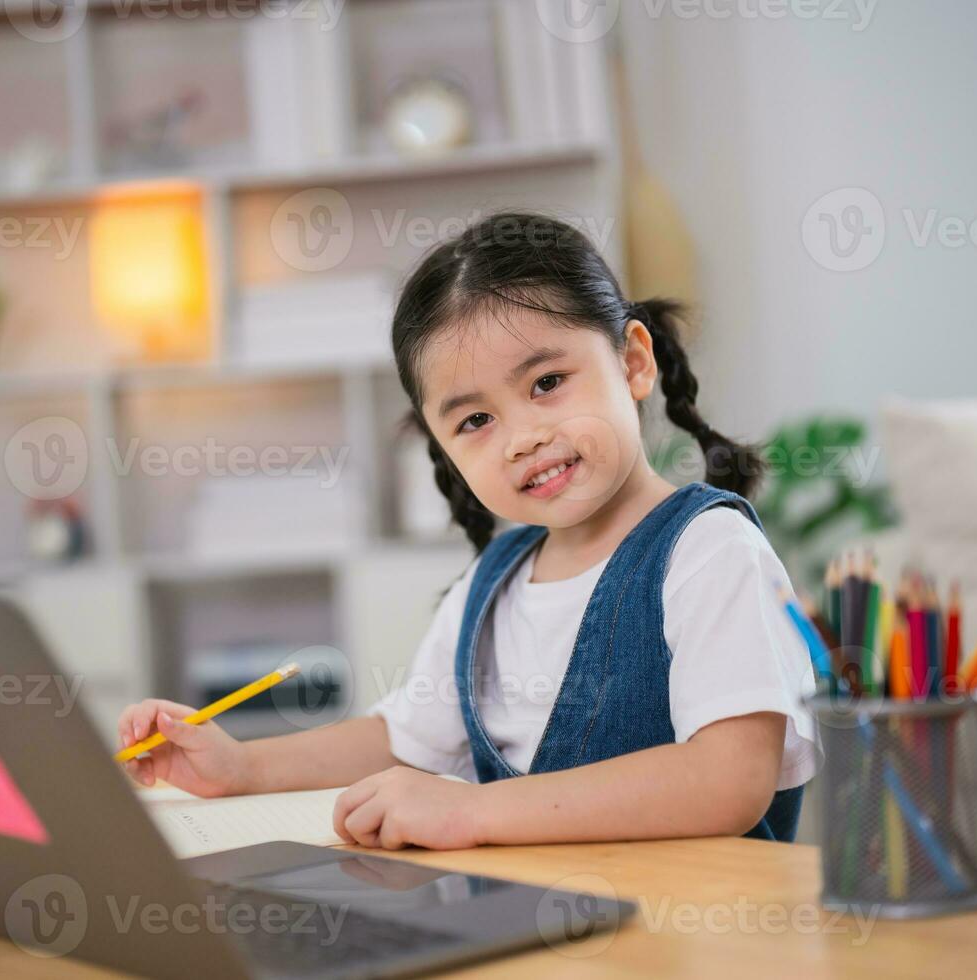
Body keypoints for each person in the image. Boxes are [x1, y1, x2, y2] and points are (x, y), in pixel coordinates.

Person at [118, 211, 818, 849]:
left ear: (633, 361)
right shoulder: (494, 582)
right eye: (475, 421)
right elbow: (404, 742)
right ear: (442, 444)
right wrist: (238, 765)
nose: (521, 437)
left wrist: (471, 812)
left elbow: (727, 781)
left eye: (546, 382)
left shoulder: (710, 553)